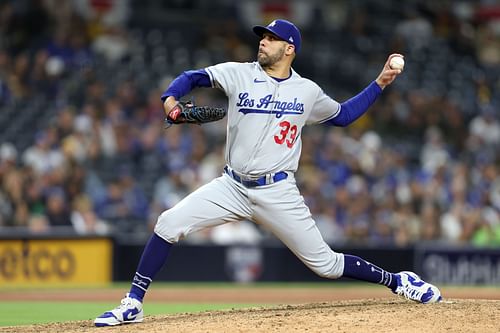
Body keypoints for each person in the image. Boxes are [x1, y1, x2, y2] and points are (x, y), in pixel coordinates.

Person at [94, 19, 442, 327]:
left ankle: (398, 281)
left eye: (272, 38)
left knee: (326, 265)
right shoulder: (239, 73)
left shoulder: (306, 91)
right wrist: (171, 99)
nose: (263, 40)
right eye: (263, 36)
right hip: (231, 185)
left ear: (289, 49)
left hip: (277, 191)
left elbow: (344, 115)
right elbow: (192, 77)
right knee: (168, 223)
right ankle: (133, 303)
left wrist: (380, 82)